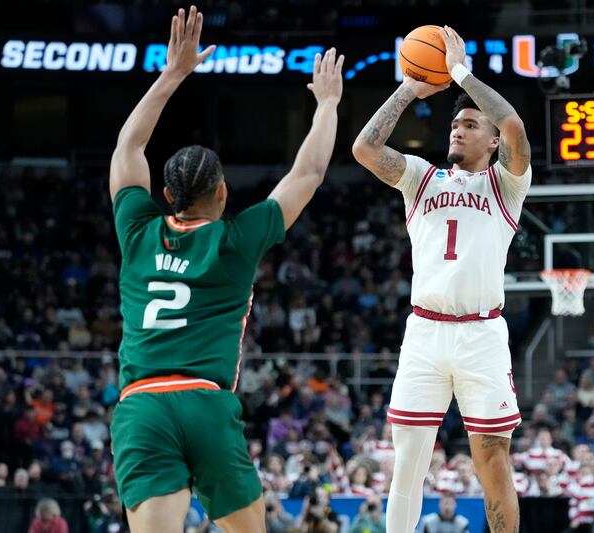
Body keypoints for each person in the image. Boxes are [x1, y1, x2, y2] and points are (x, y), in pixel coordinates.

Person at [107, 6, 344, 533]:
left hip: (142, 407)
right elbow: (309, 170)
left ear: (166, 195)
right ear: (223, 192)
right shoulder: (237, 241)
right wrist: (327, 105)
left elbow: (129, 146)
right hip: (206, 404)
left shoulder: (137, 228)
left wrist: (173, 75)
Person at [353, 25, 530, 533]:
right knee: (407, 462)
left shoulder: (506, 185)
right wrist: (410, 86)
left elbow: (515, 127)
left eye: (471, 124)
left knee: (492, 461)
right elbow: (365, 149)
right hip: (425, 332)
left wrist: (460, 74)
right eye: (455, 122)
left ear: (492, 143)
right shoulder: (419, 176)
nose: (458, 128)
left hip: (481, 334)